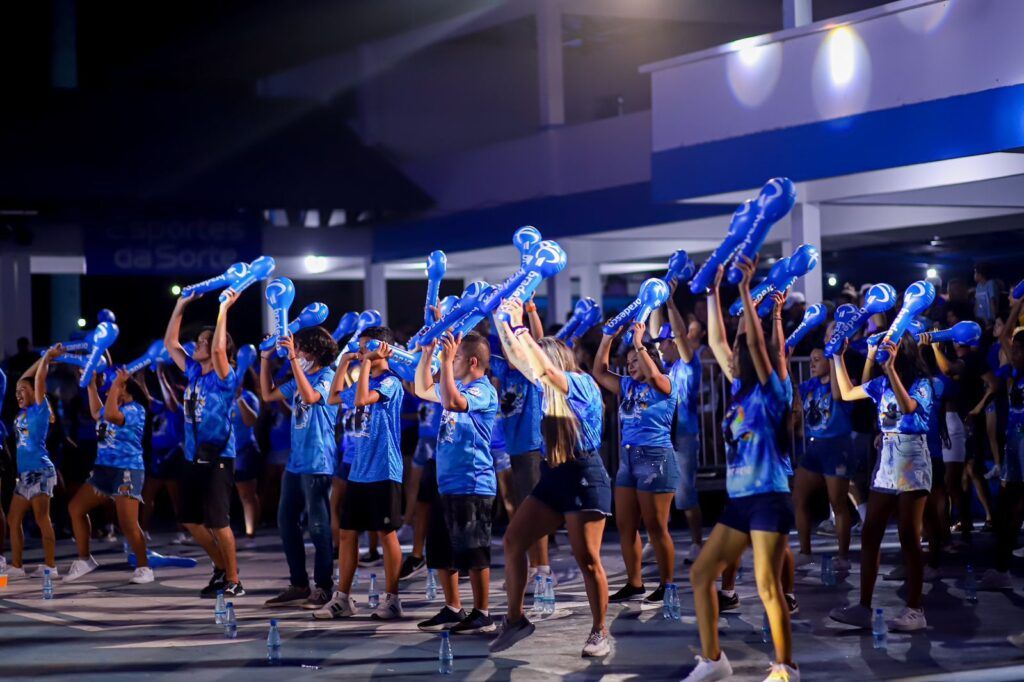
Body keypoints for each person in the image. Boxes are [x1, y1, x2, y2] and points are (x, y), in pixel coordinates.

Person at [683, 259, 798, 682]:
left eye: (738, 350)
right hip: (739, 502)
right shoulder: (738, 391)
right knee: (701, 574)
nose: (729, 354)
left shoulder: (773, 392)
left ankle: (787, 668)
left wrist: (748, 291)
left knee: (767, 585)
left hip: (768, 497)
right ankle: (714, 661)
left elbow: (756, 345)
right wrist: (713, 291)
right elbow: (716, 339)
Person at [490, 298, 613, 658]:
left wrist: (520, 326)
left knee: (587, 559)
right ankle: (515, 620)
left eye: (539, 361)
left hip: (584, 474)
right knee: (514, 539)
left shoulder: (581, 383)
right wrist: (502, 319)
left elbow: (542, 368)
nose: (531, 367)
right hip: (553, 474)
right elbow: (519, 358)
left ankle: (600, 631)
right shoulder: (544, 386)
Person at [829, 332, 934, 632]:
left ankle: (915, 609)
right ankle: (863, 607)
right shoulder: (880, 384)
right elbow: (847, 393)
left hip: (912, 458)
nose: (883, 352)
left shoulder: (922, 384)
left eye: (890, 347)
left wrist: (890, 370)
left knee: (909, 536)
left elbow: (908, 407)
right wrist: (837, 356)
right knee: (871, 532)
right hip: (887, 459)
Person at [414, 331, 499, 633]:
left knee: (474, 551)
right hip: (447, 482)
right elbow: (423, 388)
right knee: (441, 549)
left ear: (473, 362)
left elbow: (452, 402)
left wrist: (446, 362)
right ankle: (453, 607)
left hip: (472, 481)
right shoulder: (458, 384)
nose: (450, 360)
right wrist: (428, 354)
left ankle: (482, 613)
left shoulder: (483, 390)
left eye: (457, 357)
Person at [317, 326, 405, 620]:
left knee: (386, 534)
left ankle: (392, 599)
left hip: (384, 469)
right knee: (347, 533)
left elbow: (361, 400)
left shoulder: (391, 382)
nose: (362, 350)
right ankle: (342, 598)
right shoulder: (365, 378)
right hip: (359, 470)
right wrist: (343, 363)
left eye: (368, 346)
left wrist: (365, 363)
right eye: (361, 346)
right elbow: (334, 397)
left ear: (383, 349)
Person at [163, 288, 244, 598]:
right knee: (190, 519)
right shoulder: (195, 372)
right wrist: (180, 305)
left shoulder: (225, 376)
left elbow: (221, 351)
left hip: (219, 455)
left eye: (202, 341)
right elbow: (171, 343)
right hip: (192, 455)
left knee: (218, 521)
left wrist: (224, 310)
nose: (195, 344)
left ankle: (234, 580)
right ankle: (220, 567)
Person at [593, 321, 678, 605]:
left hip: (656, 458)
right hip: (628, 459)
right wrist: (607, 338)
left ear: (648, 359)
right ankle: (634, 582)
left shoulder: (665, 383)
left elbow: (653, 375)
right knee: (625, 524)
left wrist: (639, 342)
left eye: (635, 362)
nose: (630, 367)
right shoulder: (627, 385)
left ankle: (667, 585)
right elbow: (599, 372)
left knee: (656, 526)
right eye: (627, 363)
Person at [261, 327, 339, 609]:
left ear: (314, 352)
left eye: (301, 348)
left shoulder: (328, 376)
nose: (296, 353)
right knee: (286, 521)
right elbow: (268, 395)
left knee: (318, 526)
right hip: (296, 462)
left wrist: (293, 360)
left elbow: (310, 398)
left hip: (318, 461)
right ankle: (299, 584)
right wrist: (265, 359)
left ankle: (324, 587)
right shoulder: (300, 377)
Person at [64, 368, 153, 584]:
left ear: (124, 388)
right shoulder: (113, 407)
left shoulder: (135, 410)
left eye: (112, 388)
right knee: (76, 508)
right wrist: (92, 385)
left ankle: (144, 568)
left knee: (128, 523)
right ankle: (85, 560)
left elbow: (111, 416)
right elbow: (97, 413)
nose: (107, 392)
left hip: (127, 470)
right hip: (103, 470)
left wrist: (116, 383)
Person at [793, 347, 854, 575]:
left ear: (830, 361)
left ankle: (843, 556)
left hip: (836, 447)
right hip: (814, 447)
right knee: (798, 497)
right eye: (810, 360)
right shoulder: (810, 386)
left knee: (837, 502)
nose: (812, 364)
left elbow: (838, 396)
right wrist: (784, 356)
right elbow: (790, 390)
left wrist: (836, 356)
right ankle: (805, 552)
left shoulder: (844, 385)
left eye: (817, 360)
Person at [981, 294, 1024, 590]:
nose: (1014, 353)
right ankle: (1001, 568)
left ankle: (1002, 568)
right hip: (1013, 447)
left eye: (1019, 350)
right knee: (1007, 509)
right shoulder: (1014, 373)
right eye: (1014, 350)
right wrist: (1018, 303)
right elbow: (1005, 335)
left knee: (1015, 509)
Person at [5, 347, 60, 579]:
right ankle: (17, 567)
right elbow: (24, 379)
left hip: (40, 470)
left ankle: (50, 567)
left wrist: (46, 358)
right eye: (16, 392)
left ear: (36, 392)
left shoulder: (40, 408)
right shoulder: (22, 414)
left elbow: (37, 379)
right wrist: (41, 359)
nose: (18, 394)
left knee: (41, 519)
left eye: (23, 391)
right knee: (13, 519)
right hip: (25, 474)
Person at [663, 282, 705, 562]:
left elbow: (679, 333)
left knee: (685, 492)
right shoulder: (667, 368)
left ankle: (696, 542)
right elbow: (658, 332)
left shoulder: (689, 365)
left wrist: (669, 302)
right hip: (664, 434)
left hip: (685, 435)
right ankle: (658, 538)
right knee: (659, 490)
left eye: (664, 342)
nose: (660, 347)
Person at [232, 369, 262, 541]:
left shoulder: (249, 397)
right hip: (225, 452)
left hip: (244, 450)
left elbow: (251, 420)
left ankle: (251, 531)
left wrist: (239, 398)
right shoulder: (221, 395)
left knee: (247, 494)